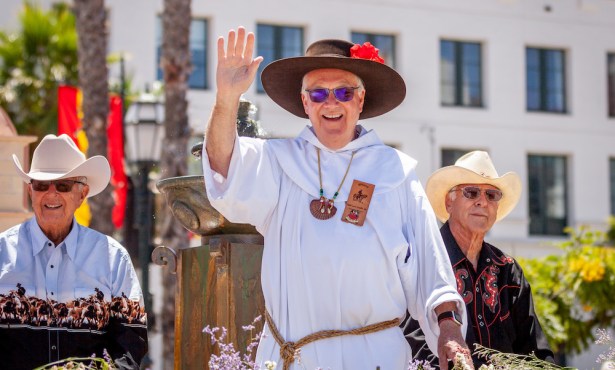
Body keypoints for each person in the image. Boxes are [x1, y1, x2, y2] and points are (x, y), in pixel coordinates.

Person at [202, 26, 472, 370]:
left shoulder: (395, 172)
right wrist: (226, 98)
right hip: (293, 358)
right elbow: (224, 167)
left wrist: (448, 327)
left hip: (375, 359)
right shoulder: (278, 161)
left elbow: (429, 264)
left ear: (360, 100)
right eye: (318, 94)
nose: (331, 103)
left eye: (344, 92)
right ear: (304, 103)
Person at [0, 134, 148, 369]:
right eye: (40, 185)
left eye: (63, 185)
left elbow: (131, 345)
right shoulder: (1, 254)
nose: (51, 193)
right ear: (30, 192)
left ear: (82, 195)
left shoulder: (113, 259)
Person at [403, 150, 555, 367]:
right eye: (472, 192)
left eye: (491, 195)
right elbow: (413, 342)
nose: (482, 202)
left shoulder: (508, 270)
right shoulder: (424, 261)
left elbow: (535, 350)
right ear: (449, 202)